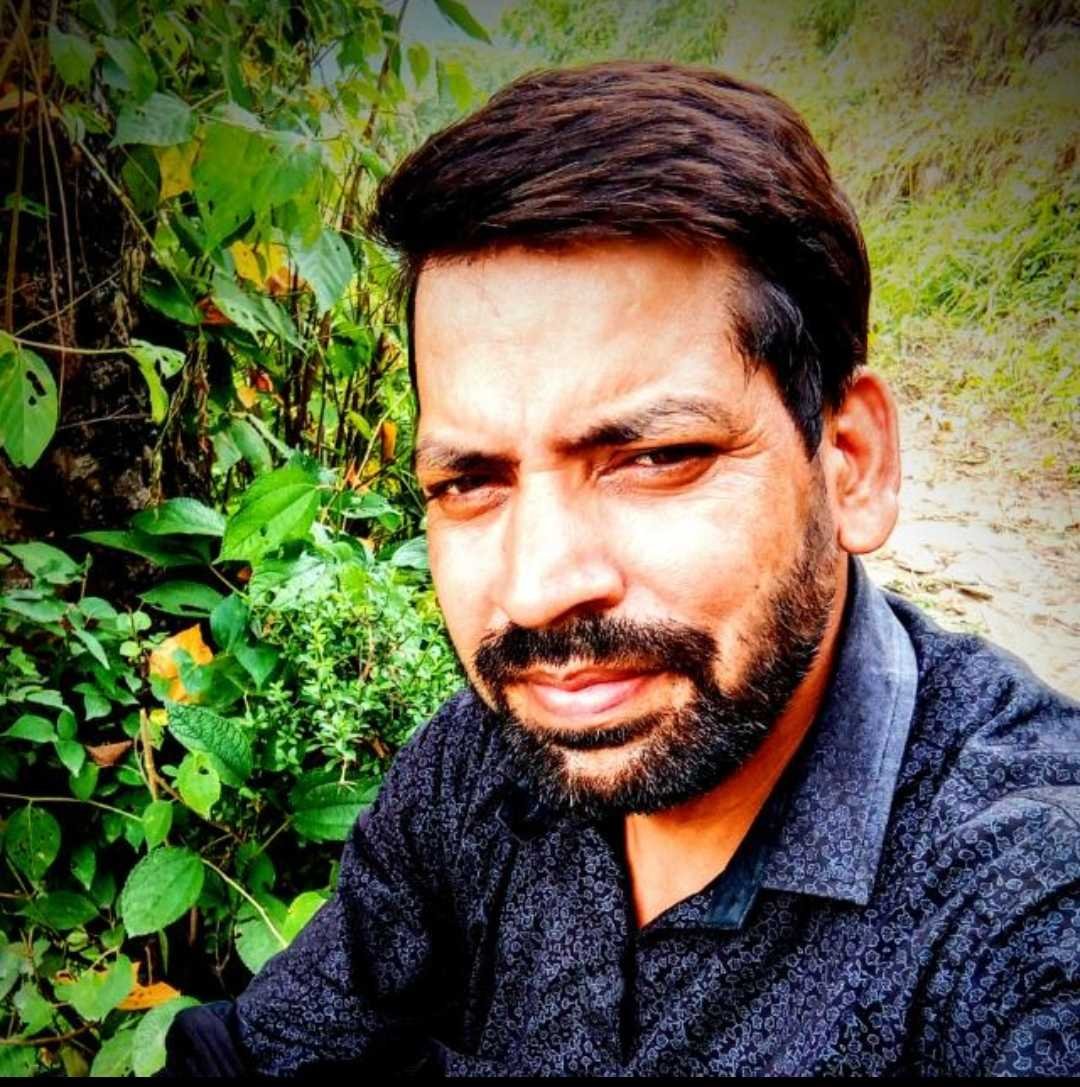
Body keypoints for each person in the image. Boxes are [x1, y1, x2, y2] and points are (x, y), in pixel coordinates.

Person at [164, 61, 1080, 1077]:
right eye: (471, 480)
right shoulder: (476, 770)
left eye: (656, 457)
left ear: (851, 463)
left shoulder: (1021, 899)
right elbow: (257, 1053)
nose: (538, 589)